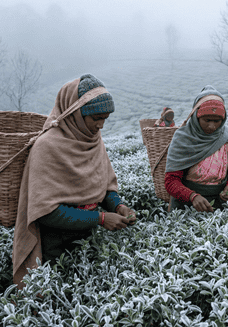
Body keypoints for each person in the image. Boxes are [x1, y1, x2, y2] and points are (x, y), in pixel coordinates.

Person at [13, 74, 137, 288]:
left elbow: (104, 184)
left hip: (89, 237)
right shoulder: (47, 147)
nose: (101, 125)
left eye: (105, 118)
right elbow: (46, 212)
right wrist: (100, 218)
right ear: (75, 114)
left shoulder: (93, 140)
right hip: (56, 244)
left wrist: (118, 205)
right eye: (96, 118)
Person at [164, 85, 228, 212]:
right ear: (196, 116)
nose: (212, 126)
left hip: (218, 205)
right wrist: (192, 196)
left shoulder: (227, 138)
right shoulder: (182, 139)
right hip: (185, 207)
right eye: (207, 120)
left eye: (217, 121)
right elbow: (171, 181)